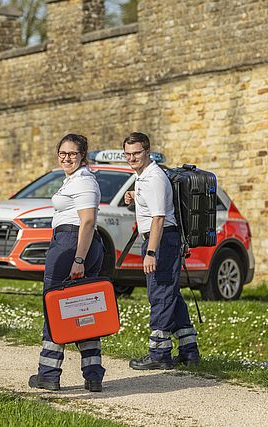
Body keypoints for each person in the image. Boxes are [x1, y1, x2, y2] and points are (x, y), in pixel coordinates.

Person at [28, 134, 106, 393]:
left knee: (55, 308)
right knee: (85, 310)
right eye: (62, 153)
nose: (66, 158)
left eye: (72, 154)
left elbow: (87, 221)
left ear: (83, 155)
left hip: (72, 244)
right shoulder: (75, 180)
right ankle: (93, 375)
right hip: (76, 243)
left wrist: (79, 259)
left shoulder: (84, 182)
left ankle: (48, 374)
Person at [123, 132, 200, 369]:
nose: (132, 158)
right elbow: (154, 201)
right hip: (162, 239)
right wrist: (134, 196)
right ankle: (189, 351)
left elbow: (158, 217)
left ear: (147, 151)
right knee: (170, 295)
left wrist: (151, 253)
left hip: (162, 240)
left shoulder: (154, 177)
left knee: (160, 295)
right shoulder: (144, 177)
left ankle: (159, 354)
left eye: (136, 153)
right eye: (128, 154)